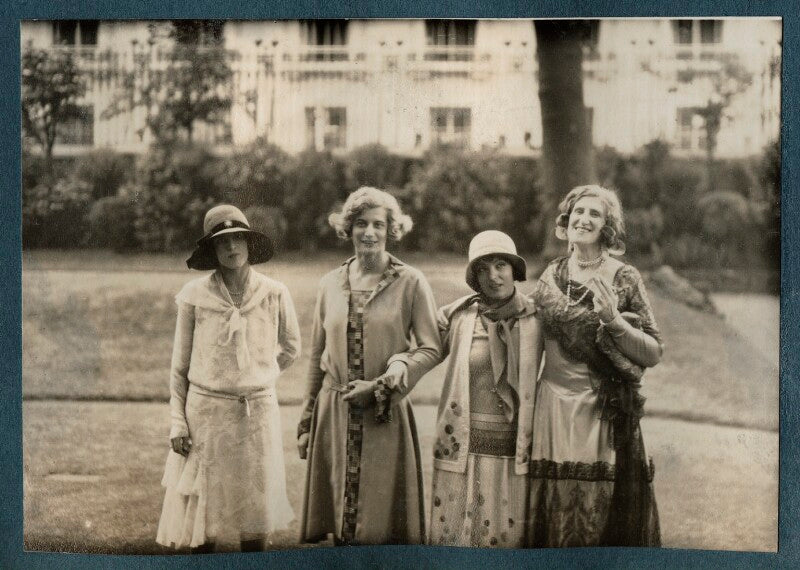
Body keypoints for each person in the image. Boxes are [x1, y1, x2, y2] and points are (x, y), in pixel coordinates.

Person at [297, 187, 441, 545]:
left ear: (392, 229)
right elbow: (317, 356)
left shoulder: (411, 282)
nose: (370, 232)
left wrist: (381, 387)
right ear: (348, 228)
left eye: (379, 224)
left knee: (379, 527)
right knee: (340, 523)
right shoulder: (330, 283)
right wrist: (307, 419)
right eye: (361, 223)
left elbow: (430, 348)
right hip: (334, 413)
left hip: (384, 413)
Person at [156, 204, 301, 552]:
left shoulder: (274, 292)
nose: (232, 247)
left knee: (254, 513)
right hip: (206, 416)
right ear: (212, 249)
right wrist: (178, 422)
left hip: (257, 416)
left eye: (238, 238)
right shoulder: (194, 295)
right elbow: (179, 367)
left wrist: (259, 378)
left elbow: (291, 347)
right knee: (203, 519)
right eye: (222, 241)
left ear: (249, 243)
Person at [526, 185, 663, 547]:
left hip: (601, 410)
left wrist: (614, 321)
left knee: (596, 519)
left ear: (607, 226)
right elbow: (525, 328)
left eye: (595, 214)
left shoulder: (624, 277)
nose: (584, 219)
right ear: (566, 219)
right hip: (552, 409)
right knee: (555, 520)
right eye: (579, 211)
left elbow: (653, 352)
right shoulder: (551, 275)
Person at [428, 231, 543, 548]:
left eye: (500, 265)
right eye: (483, 268)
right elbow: (421, 351)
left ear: (514, 269)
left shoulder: (536, 318)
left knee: (509, 545)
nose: (493, 276)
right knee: (458, 543)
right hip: (465, 451)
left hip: (513, 453)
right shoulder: (458, 316)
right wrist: (395, 370)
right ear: (475, 277)